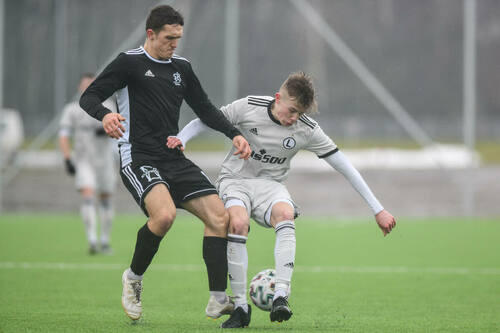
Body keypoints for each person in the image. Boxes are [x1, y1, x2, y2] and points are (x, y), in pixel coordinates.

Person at [167, 72, 397, 328]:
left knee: (286, 214)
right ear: (278, 98)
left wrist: (378, 209)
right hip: (235, 180)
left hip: (271, 186)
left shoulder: (307, 129)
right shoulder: (249, 107)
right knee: (238, 223)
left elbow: (344, 166)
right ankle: (241, 307)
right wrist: (182, 138)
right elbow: (207, 119)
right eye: (291, 111)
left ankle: (281, 296)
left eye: (300, 113)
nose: (294, 118)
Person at [79, 5, 251, 322]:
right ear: (151, 34)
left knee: (219, 217)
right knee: (165, 215)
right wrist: (105, 116)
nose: (174, 44)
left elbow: (206, 108)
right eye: (169, 38)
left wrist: (234, 134)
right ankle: (132, 278)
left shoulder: (181, 68)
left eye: (178, 38)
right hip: (138, 155)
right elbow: (88, 98)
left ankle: (216, 299)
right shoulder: (128, 63)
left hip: (173, 157)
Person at [59, 73, 117, 255]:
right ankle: (92, 239)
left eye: (91, 84)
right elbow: (64, 135)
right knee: (88, 195)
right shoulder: (72, 110)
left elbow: (120, 130)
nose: (87, 87)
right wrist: (67, 158)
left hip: (105, 159)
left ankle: (105, 240)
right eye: (85, 84)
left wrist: (108, 131)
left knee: (106, 198)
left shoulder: (108, 106)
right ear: (79, 87)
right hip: (84, 159)